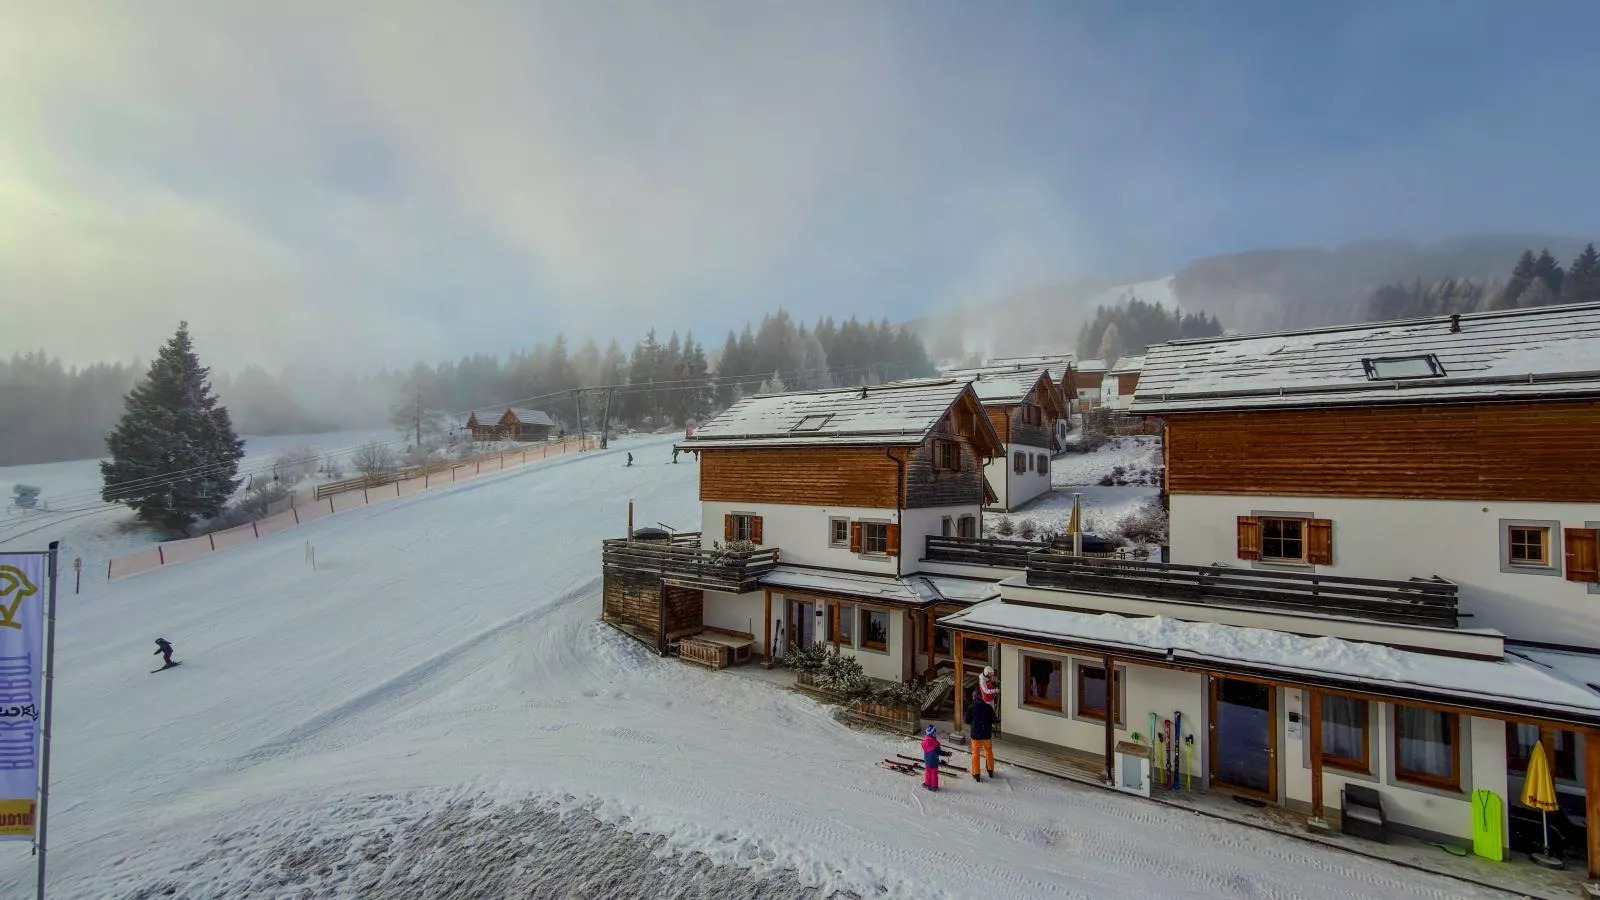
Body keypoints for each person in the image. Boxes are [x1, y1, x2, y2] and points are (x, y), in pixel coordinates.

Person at [965, 691, 998, 781]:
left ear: (973, 698)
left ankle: (976, 774)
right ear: (982, 697)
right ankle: (990, 770)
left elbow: (967, 720)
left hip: (975, 734)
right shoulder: (988, 707)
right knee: (988, 751)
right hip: (986, 734)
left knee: (975, 753)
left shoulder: (971, 707)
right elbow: (994, 720)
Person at [921, 725, 942, 791]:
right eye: (934, 733)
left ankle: (928, 783)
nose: (935, 734)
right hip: (934, 762)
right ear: (932, 734)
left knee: (928, 772)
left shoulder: (924, 742)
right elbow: (939, 752)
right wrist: (946, 753)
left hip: (927, 761)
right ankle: (934, 786)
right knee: (934, 774)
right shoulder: (935, 744)